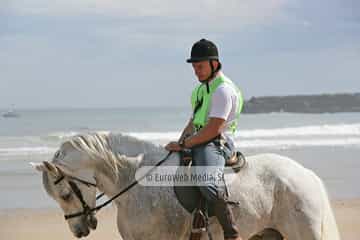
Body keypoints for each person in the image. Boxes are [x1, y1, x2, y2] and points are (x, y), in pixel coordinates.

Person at [165, 39, 244, 240]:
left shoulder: (223, 90)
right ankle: (196, 220)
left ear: (214, 64)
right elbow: (193, 123)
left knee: (206, 180)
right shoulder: (200, 90)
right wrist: (179, 142)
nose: (196, 71)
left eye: (200, 66)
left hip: (218, 142)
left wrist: (185, 144)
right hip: (200, 139)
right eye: (194, 67)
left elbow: (213, 129)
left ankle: (231, 232)